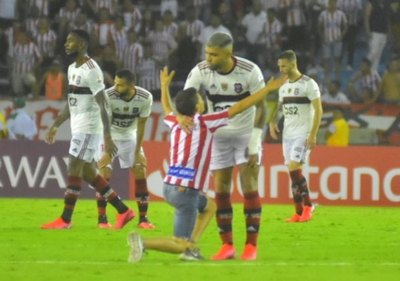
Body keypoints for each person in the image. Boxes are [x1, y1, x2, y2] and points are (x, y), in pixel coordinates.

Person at [127, 66, 285, 263]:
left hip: (170, 187)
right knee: (179, 243)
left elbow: (167, 108)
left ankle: (192, 248)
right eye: (201, 99)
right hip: (186, 191)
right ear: (198, 107)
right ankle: (144, 243)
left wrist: (164, 86)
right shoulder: (206, 122)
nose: (203, 100)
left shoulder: (175, 121)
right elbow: (239, 107)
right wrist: (266, 90)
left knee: (210, 207)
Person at [183, 32, 266, 261]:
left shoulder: (250, 71)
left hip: (246, 134)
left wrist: (254, 143)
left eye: (214, 55)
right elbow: (187, 97)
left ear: (228, 54)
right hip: (217, 137)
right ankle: (227, 245)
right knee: (221, 190)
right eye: (207, 53)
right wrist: (184, 117)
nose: (208, 58)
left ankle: (251, 246)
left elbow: (263, 108)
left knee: (248, 186)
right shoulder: (201, 70)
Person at [41, 29, 134, 230]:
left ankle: (65, 219)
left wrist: (108, 137)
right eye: (66, 40)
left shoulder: (92, 69)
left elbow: (104, 104)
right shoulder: (72, 68)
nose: (66, 44)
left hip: (89, 127)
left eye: (71, 41)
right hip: (78, 126)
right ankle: (123, 210)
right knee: (87, 172)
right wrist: (56, 124)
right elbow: (71, 101)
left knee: (73, 166)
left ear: (82, 44)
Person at [94, 69, 155, 229]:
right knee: (104, 172)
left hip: (130, 136)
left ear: (131, 85)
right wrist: (107, 151)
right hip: (109, 135)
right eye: (115, 83)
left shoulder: (145, 97)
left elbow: (141, 126)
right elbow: (105, 124)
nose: (115, 87)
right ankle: (102, 219)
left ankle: (143, 219)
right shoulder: (108, 95)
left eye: (120, 85)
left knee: (140, 170)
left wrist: (137, 152)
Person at [269, 50, 323, 223]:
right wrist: (272, 121)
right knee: (292, 172)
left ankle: (308, 206)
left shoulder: (309, 84)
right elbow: (279, 106)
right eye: (279, 66)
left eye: (283, 65)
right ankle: (299, 211)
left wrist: (313, 134)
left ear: (293, 64)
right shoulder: (283, 86)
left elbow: (319, 110)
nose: (281, 69)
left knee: (294, 168)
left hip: (303, 132)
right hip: (288, 134)